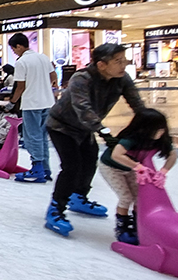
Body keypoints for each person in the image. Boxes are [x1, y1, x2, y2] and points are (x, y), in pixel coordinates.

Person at [44, 43, 146, 236]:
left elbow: (137, 104)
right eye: (118, 61)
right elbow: (83, 108)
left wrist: (152, 124)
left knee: (90, 162)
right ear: (101, 64)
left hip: (85, 129)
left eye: (124, 60)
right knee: (72, 166)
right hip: (61, 126)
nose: (124, 64)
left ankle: (79, 197)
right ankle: (56, 208)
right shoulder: (81, 78)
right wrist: (104, 132)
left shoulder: (122, 79)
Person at [98, 108, 177, 246]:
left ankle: (137, 224)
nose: (161, 132)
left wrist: (163, 171)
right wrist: (138, 167)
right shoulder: (130, 139)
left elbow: (173, 155)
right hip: (111, 168)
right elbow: (116, 155)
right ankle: (122, 228)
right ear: (145, 128)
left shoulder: (160, 140)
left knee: (139, 197)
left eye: (163, 128)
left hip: (131, 169)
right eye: (158, 129)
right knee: (126, 197)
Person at [7, 33, 57, 183]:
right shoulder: (43, 57)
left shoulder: (22, 62)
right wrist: (47, 87)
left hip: (31, 104)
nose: (14, 51)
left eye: (13, 48)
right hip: (48, 103)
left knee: (32, 136)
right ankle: (45, 169)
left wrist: (12, 102)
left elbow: (20, 86)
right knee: (42, 137)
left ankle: (37, 169)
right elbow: (53, 76)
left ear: (20, 46)